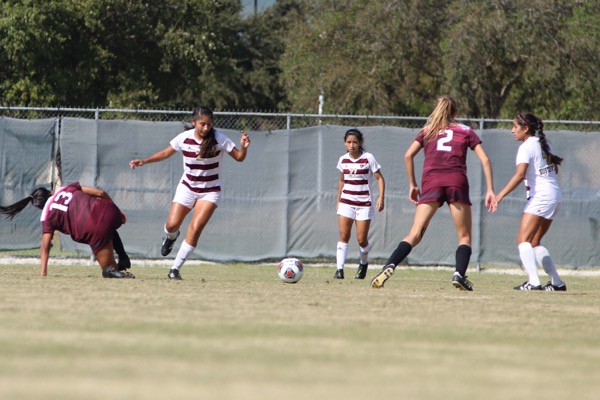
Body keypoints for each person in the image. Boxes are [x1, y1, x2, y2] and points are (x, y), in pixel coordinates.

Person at [371, 95, 496, 290]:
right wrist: (490, 189)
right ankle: (459, 275)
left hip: (432, 182)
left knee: (415, 233)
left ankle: (390, 265)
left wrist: (412, 184)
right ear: (455, 112)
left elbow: (408, 155)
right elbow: (485, 159)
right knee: (464, 237)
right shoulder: (465, 131)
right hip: (456, 181)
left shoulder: (427, 131)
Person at [129, 106, 250, 280]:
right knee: (171, 225)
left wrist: (243, 147)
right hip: (187, 187)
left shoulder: (219, 139)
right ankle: (171, 237)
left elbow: (239, 157)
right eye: (202, 124)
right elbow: (165, 153)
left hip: (210, 191)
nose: (206, 128)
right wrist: (144, 161)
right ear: (194, 123)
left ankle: (175, 269)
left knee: (195, 228)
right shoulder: (184, 138)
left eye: (209, 124)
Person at [0, 183, 133, 278]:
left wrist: (43, 273)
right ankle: (123, 257)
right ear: (50, 192)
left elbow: (45, 247)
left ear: (40, 208)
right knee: (107, 226)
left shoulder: (46, 214)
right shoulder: (66, 188)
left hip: (94, 228)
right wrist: (118, 212)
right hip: (109, 209)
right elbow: (101, 193)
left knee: (108, 270)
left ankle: (113, 269)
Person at [495, 113, 566, 291]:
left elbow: (520, 175)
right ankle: (557, 283)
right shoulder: (544, 143)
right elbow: (550, 169)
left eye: (515, 127)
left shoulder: (526, 147)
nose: (512, 130)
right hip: (555, 195)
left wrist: (500, 195)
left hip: (542, 196)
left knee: (523, 240)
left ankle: (533, 282)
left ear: (525, 128)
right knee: (534, 242)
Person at [334, 128, 385, 279]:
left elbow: (380, 178)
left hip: (364, 203)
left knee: (362, 239)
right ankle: (339, 270)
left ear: (360, 143)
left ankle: (363, 264)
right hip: (346, 202)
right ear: (345, 143)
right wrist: (338, 201)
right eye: (349, 142)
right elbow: (342, 180)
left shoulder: (368, 158)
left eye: (355, 142)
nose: (352, 145)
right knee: (344, 235)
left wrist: (381, 197)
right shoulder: (343, 159)